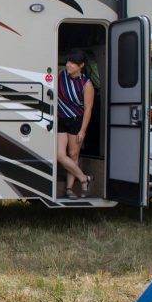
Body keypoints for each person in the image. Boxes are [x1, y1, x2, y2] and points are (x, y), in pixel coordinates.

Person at [57, 49, 95, 198]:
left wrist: (83, 130)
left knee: (73, 155)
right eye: (68, 62)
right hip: (62, 119)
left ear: (81, 65)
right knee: (60, 155)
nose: (68, 65)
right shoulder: (61, 76)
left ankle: (69, 189)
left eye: (73, 63)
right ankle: (84, 178)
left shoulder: (87, 84)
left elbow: (88, 109)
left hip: (76, 121)